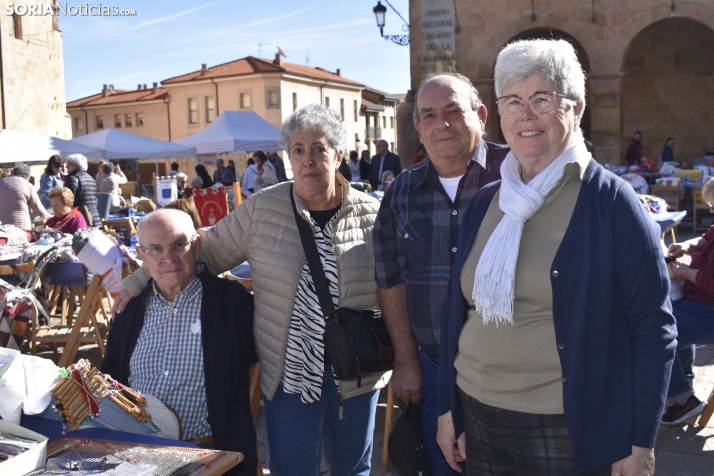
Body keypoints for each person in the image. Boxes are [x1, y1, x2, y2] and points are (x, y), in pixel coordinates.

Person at [437, 39, 676, 476]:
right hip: (477, 414)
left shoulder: (610, 203)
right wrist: (447, 408)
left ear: (576, 108)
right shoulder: (487, 201)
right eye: (512, 101)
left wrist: (640, 438)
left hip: (562, 427)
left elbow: (653, 328)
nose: (525, 115)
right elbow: (458, 311)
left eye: (541, 99)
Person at [112, 104, 390, 476]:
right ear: (288, 157)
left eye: (320, 148)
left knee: (353, 469)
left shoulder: (372, 215)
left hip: (356, 373)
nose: (309, 159)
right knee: (293, 469)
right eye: (298, 149)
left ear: (339, 155)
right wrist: (137, 279)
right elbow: (194, 250)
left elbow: (394, 288)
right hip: (289, 375)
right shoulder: (263, 208)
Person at [373, 72, 508, 475]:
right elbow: (390, 280)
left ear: (481, 115)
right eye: (429, 115)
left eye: (453, 110)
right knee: (445, 466)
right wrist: (406, 359)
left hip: (510, 372)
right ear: (417, 128)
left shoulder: (517, 174)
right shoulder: (402, 192)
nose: (441, 123)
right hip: (434, 370)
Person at [100, 209, 256, 475]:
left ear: (196, 246)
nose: (168, 258)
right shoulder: (130, 310)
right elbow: (109, 379)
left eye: (177, 245)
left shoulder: (231, 303)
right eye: (156, 249)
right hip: (135, 454)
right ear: (142, 255)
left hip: (207, 453)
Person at [662, 176, 714, 425]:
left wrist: (683, 272)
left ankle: (682, 401)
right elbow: (705, 239)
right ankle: (684, 385)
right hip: (705, 305)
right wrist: (686, 245)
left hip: (710, 308)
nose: (712, 211)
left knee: (652, 331)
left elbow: (712, 282)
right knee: (672, 316)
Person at [0, 164, 50, 234]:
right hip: (21, 228)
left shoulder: (1, 182)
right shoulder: (28, 186)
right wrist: (50, 217)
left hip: (2, 228)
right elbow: (38, 209)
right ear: (26, 176)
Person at [65, 154, 101, 228]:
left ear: (77, 165)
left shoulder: (73, 178)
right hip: (94, 217)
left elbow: (67, 201)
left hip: (81, 219)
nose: (66, 167)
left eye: (68, 164)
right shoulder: (90, 178)